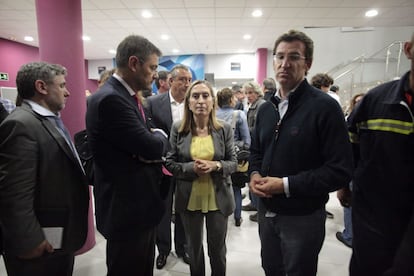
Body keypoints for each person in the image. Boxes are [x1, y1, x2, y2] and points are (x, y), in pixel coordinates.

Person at [248, 29, 353, 276]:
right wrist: (254, 174)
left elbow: (339, 170)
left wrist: (284, 185)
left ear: (308, 64)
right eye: (280, 56)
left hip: (302, 217)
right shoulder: (266, 109)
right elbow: (256, 151)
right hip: (267, 212)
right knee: (271, 268)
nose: (285, 64)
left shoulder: (324, 107)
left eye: (294, 57)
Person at [86, 35, 169, 276]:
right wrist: (159, 138)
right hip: (127, 212)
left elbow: (147, 142)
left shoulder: (124, 97)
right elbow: (153, 146)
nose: (155, 74)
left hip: (138, 208)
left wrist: (152, 139)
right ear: (134, 63)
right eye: (152, 67)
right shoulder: (112, 99)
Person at [0, 62, 90, 276]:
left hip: (57, 237)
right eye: (61, 85)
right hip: (37, 245)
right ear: (41, 87)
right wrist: (29, 240)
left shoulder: (47, 121)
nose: (67, 92)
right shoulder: (21, 124)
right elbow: (14, 193)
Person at [346, 32, 414, 276]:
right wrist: (345, 185)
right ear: (408, 49)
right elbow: (351, 143)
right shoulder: (376, 100)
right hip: (374, 215)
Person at [166, 80, 237, 276]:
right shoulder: (178, 128)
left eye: (205, 96)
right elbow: (170, 163)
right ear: (188, 102)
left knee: (217, 249)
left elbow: (233, 163)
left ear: (213, 101)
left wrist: (216, 165)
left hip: (218, 198)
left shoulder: (224, 129)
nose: (200, 101)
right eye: (195, 96)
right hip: (189, 199)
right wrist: (191, 169)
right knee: (194, 250)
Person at [146, 64, 192, 269]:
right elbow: (147, 132)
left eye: (189, 80)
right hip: (161, 167)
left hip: (187, 167)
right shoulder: (152, 103)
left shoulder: (194, 102)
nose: (187, 84)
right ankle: (163, 250)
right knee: (162, 210)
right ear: (170, 81)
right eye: (182, 79)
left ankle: (183, 248)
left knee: (183, 209)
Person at [216, 87, 251, 227]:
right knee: (236, 188)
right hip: (235, 156)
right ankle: (237, 217)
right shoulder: (239, 115)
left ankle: (219, 215)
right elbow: (247, 141)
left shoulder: (214, 115)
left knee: (218, 186)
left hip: (217, 157)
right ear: (231, 99)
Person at [336, 93, 364, 249]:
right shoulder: (350, 121)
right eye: (357, 102)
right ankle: (351, 235)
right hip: (355, 170)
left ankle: (350, 236)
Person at [242, 80, 266, 222]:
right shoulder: (252, 106)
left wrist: (244, 131)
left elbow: (259, 129)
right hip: (251, 145)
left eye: (251, 93)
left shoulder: (261, 106)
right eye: (246, 93)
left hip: (258, 147)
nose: (248, 95)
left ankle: (259, 208)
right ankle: (253, 203)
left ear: (257, 93)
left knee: (258, 177)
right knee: (251, 174)